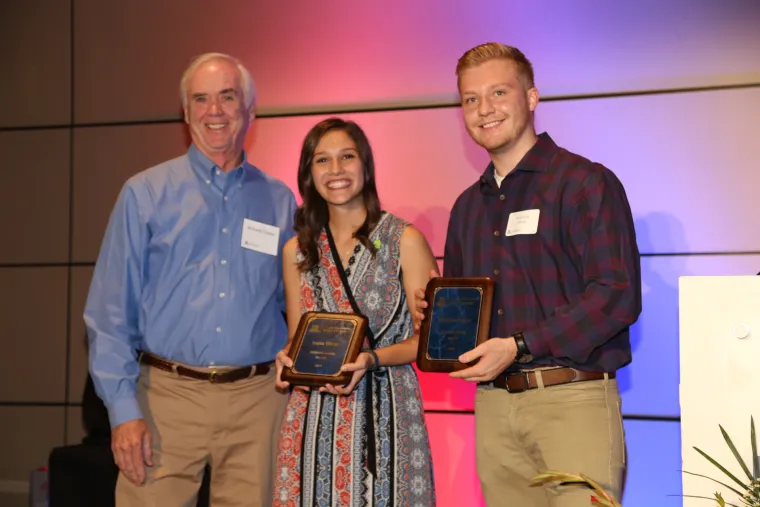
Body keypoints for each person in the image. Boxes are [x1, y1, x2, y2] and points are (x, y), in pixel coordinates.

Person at [416, 43, 641, 506]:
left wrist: (518, 344)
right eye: (471, 99)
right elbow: (468, 308)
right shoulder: (466, 207)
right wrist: (440, 320)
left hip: (572, 400)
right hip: (494, 406)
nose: (484, 110)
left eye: (499, 92)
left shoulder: (584, 183)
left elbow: (616, 294)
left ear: (532, 97)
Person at [84, 52, 297, 507]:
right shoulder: (144, 194)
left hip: (258, 405)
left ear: (250, 111)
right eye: (201, 99)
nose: (214, 111)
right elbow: (109, 314)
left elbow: (297, 305)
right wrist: (123, 412)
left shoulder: (280, 202)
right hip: (165, 402)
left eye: (227, 97)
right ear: (185, 112)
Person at [272, 118, 437, 507]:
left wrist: (373, 358)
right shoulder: (297, 251)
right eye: (322, 161)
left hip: (389, 410)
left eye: (346, 157)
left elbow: (430, 340)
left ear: (365, 164)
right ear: (308, 175)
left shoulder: (405, 240)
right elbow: (299, 341)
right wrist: (286, 360)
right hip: (312, 416)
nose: (336, 170)